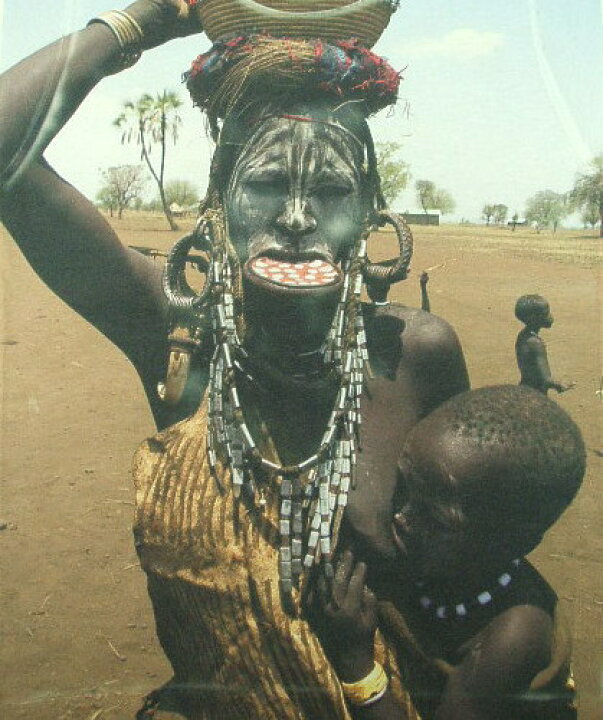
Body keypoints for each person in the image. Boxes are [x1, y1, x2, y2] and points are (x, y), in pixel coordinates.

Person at [1, 1, 470, 717]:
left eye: (332, 192)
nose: (296, 218)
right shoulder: (175, 330)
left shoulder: (412, 354)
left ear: (372, 210)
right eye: (266, 185)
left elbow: (484, 563)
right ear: (219, 199)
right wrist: (141, 24)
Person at [313, 385, 585, 720]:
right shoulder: (442, 560)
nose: (401, 517)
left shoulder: (513, 637)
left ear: (512, 545)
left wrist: (356, 664)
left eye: (435, 518)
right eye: (403, 486)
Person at [514, 294, 574, 395]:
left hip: (524, 389)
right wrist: (561, 385)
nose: (550, 316)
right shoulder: (536, 344)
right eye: (545, 314)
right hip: (535, 394)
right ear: (533, 318)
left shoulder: (523, 335)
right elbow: (546, 380)